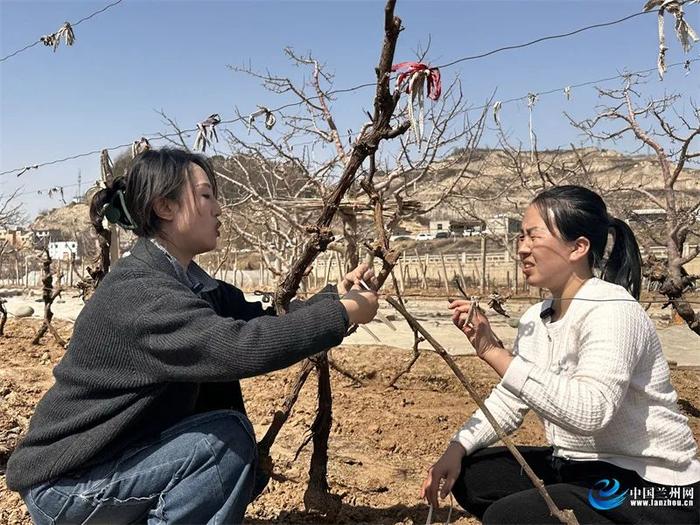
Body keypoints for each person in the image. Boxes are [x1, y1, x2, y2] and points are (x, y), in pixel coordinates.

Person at [6, 148, 379, 524]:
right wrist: (342, 313)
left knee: (226, 440)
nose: (218, 209)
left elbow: (263, 320)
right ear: (165, 207)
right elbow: (238, 347)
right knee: (221, 443)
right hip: (66, 487)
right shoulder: (140, 291)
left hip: (111, 464)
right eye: (206, 195)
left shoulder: (190, 284)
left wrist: (335, 298)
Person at [421, 185, 699, 524]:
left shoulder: (612, 310)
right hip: (579, 468)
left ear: (578, 247)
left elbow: (591, 412)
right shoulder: (536, 318)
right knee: (473, 476)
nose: (522, 249)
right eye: (520, 237)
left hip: (654, 487)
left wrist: (494, 352)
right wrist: (458, 446)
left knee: (510, 517)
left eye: (533, 237)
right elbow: (511, 400)